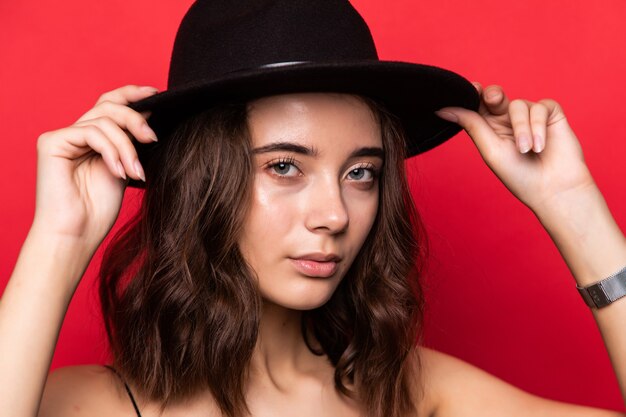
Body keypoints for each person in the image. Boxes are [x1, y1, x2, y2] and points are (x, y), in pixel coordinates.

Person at [1, 1, 625, 417]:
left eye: (361, 173)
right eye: (283, 167)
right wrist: (60, 239)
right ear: (200, 183)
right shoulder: (88, 405)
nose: (335, 214)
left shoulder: (413, 393)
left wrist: (569, 203)